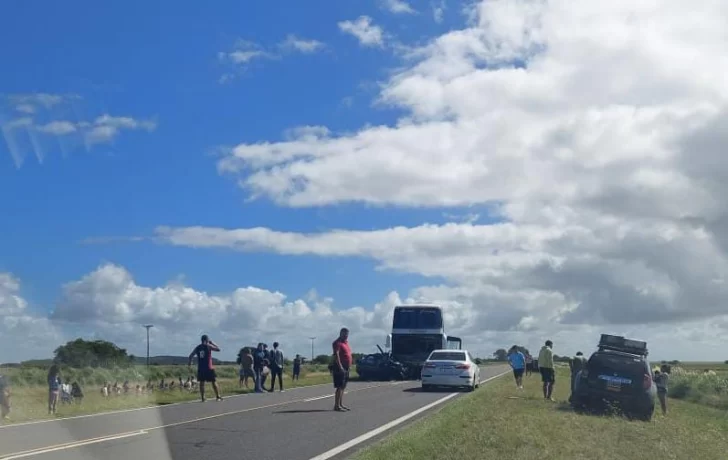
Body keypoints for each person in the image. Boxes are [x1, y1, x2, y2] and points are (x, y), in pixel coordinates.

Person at [188, 334, 223, 402]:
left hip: (201, 368)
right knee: (213, 382)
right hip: (209, 367)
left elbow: (190, 356)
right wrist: (212, 343)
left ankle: (203, 398)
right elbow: (218, 349)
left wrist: (190, 363)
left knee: (202, 383)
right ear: (207, 340)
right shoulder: (208, 346)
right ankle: (218, 396)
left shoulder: (198, 347)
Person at [332, 327, 352, 412]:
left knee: (343, 386)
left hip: (346, 367)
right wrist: (340, 366)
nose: (346, 336)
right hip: (340, 367)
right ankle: (336, 406)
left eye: (347, 334)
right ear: (340, 333)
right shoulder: (337, 343)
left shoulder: (346, 343)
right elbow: (336, 355)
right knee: (339, 386)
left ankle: (340, 404)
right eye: (344, 334)